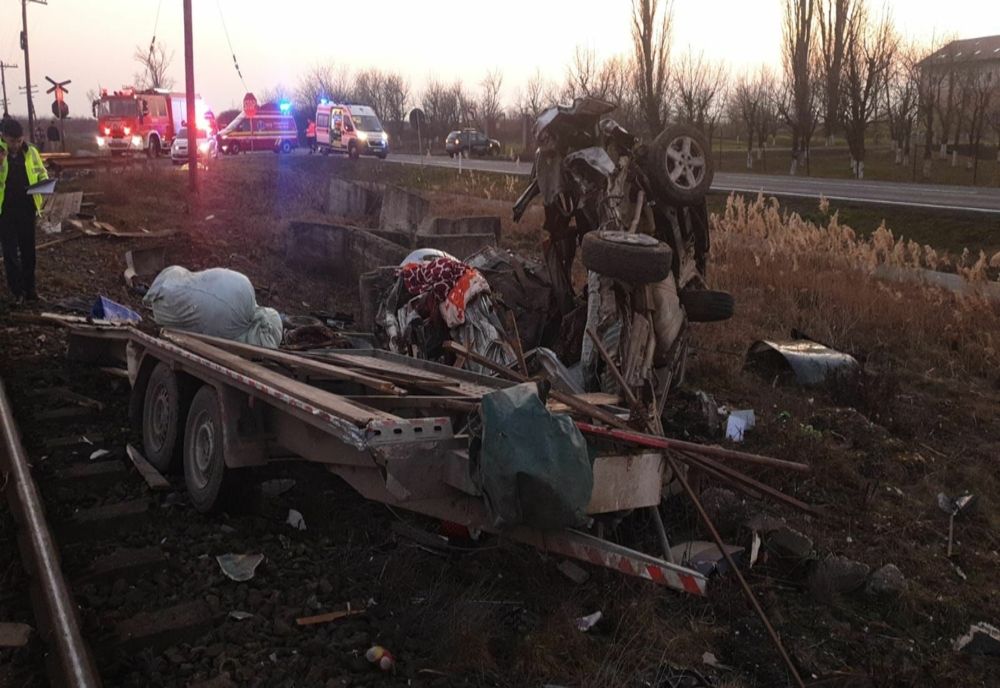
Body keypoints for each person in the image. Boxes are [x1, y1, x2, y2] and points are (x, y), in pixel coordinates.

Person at [0, 118, 48, 303]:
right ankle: (17, 292)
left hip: (27, 208)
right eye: (12, 141)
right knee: (10, 253)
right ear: (3, 137)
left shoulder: (31, 152)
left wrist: (45, 184)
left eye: (19, 141)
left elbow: (41, 172)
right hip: (5, 211)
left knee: (29, 252)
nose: (16, 145)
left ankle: (30, 290)